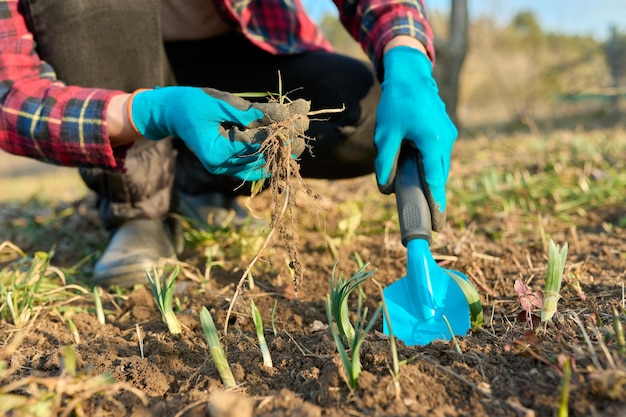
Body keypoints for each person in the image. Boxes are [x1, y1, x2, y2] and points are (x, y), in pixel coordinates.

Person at [0, 0, 457, 288]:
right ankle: (138, 205)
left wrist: (406, 53)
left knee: (365, 114)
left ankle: (194, 177)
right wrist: (147, 112)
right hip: (115, 64)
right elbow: (11, 94)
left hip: (241, 50)